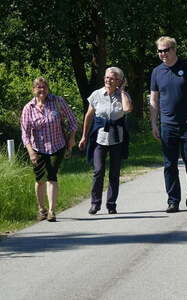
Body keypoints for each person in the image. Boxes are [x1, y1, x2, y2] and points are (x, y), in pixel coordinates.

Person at [150, 36, 187, 213]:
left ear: (174, 50)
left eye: (166, 50)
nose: (163, 54)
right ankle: (173, 200)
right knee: (169, 164)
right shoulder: (157, 72)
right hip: (168, 125)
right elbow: (154, 98)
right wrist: (154, 123)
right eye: (160, 51)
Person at [21, 77, 77, 222]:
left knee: (52, 176)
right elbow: (25, 133)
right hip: (37, 148)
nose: (42, 90)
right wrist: (30, 151)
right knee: (40, 179)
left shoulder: (58, 101)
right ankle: (42, 209)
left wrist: (71, 138)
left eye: (44, 87)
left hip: (57, 145)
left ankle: (52, 211)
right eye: (38, 87)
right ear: (33, 90)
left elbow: (72, 120)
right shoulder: (28, 108)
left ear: (48, 88)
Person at [78, 67, 133, 215]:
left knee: (114, 173)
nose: (109, 80)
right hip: (99, 138)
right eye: (107, 77)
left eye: (113, 78)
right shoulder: (96, 95)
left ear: (119, 81)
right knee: (98, 171)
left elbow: (127, 109)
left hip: (117, 138)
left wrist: (122, 90)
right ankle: (95, 203)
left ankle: (111, 204)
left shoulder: (123, 95)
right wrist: (84, 136)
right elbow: (89, 116)